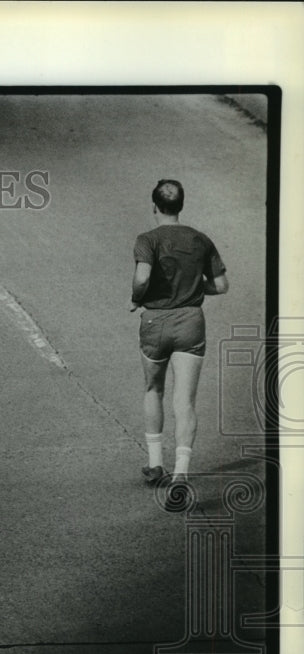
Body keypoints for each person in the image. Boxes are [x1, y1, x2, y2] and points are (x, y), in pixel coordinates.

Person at [129, 179, 229, 486]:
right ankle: (182, 471)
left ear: (154, 206)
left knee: (153, 390)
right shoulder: (200, 239)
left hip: (155, 322)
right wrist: (196, 288)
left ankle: (155, 464)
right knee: (184, 401)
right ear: (180, 205)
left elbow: (143, 277)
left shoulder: (148, 239)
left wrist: (137, 298)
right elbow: (222, 285)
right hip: (191, 322)